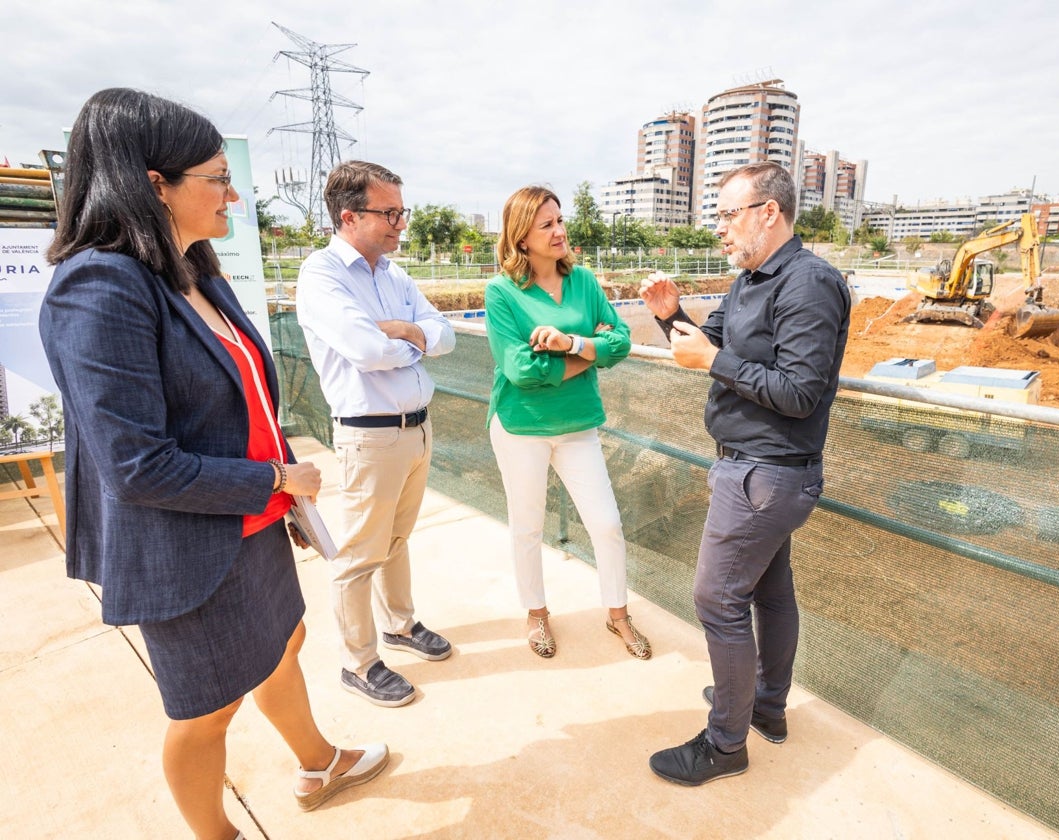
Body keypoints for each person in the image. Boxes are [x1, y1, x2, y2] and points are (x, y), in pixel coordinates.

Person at [38, 88, 387, 840]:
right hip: (186, 546)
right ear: (152, 183)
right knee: (205, 711)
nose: (234, 195)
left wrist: (284, 494)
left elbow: (247, 396)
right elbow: (136, 464)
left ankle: (318, 759)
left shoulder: (193, 266)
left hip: (250, 524)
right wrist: (273, 480)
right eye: (218, 177)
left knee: (282, 645)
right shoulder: (99, 286)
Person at [640, 162, 851, 785]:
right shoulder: (750, 280)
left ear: (769, 212)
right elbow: (703, 344)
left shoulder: (808, 283)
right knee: (767, 591)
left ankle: (726, 744)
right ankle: (765, 707)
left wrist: (715, 359)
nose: (722, 230)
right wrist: (668, 314)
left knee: (717, 599)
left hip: (768, 474)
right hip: (758, 471)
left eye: (729, 215)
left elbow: (801, 392)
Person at [296, 160, 456, 707]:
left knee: (397, 541)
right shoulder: (322, 275)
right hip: (369, 434)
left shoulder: (392, 274)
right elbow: (364, 351)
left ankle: (400, 625)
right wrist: (413, 338)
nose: (400, 223)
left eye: (401, 211)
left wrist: (405, 332)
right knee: (361, 554)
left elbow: (446, 336)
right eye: (389, 212)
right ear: (348, 216)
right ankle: (359, 661)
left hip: (415, 429)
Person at [485, 185, 651, 660]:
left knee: (607, 524)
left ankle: (618, 614)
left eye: (560, 220)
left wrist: (569, 344)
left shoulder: (583, 281)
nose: (559, 231)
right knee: (527, 527)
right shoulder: (501, 292)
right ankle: (536, 614)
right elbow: (520, 370)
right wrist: (587, 353)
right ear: (521, 237)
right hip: (521, 426)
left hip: (579, 424)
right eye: (546, 225)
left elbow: (621, 341)